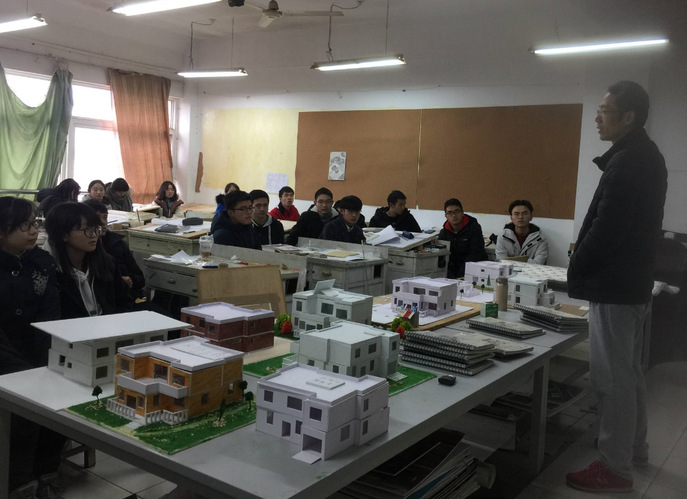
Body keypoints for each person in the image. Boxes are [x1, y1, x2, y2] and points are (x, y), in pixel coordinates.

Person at [565, 81, 667, 493]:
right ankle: (633, 449)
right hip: (631, 283)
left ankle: (614, 467)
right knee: (628, 373)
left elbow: (606, 230)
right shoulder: (644, 155)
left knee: (612, 379)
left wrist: (576, 265)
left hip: (614, 285)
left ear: (628, 117)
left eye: (604, 111)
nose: (597, 118)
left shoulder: (628, 162)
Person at [0, 196, 64, 499]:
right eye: (25, 225)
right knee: (24, 409)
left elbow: (50, 313)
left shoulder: (42, 261)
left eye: (35, 223)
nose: (34, 230)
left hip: (38, 347)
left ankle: (46, 473)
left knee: (60, 397)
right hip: (5, 353)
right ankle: (19, 483)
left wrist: (47, 358)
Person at [44, 202, 133, 318]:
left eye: (96, 228)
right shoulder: (47, 272)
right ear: (64, 234)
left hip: (109, 326)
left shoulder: (106, 263)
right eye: (87, 229)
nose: (94, 234)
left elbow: (124, 302)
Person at [83, 199, 146, 300]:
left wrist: (131, 280)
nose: (103, 222)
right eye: (98, 218)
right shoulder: (84, 249)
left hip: (129, 296)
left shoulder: (118, 243)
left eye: (105, 217)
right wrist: (117, 282)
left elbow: (141, 279)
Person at [439, 198, 487, 279]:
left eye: (457, 211)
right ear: (446, 216)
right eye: (450, 213)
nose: (454, 215)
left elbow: (475, 253)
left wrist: (460, 276)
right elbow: (442, 257)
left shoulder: (474, 228)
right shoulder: (444, 233)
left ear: (462, 213)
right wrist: (450, 276)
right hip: (452, 274)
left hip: (473, 270)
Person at [495, 199, 548, 264]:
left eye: (524, 213)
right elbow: (501, 262)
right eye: (516, 214)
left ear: (531, 217)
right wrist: (526, 261)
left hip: (531, 271)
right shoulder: (503, 237)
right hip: (509, 271)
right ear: (511, 218)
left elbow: (538, 264)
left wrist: (511, 261)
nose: (520, 217)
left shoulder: (540, 239)